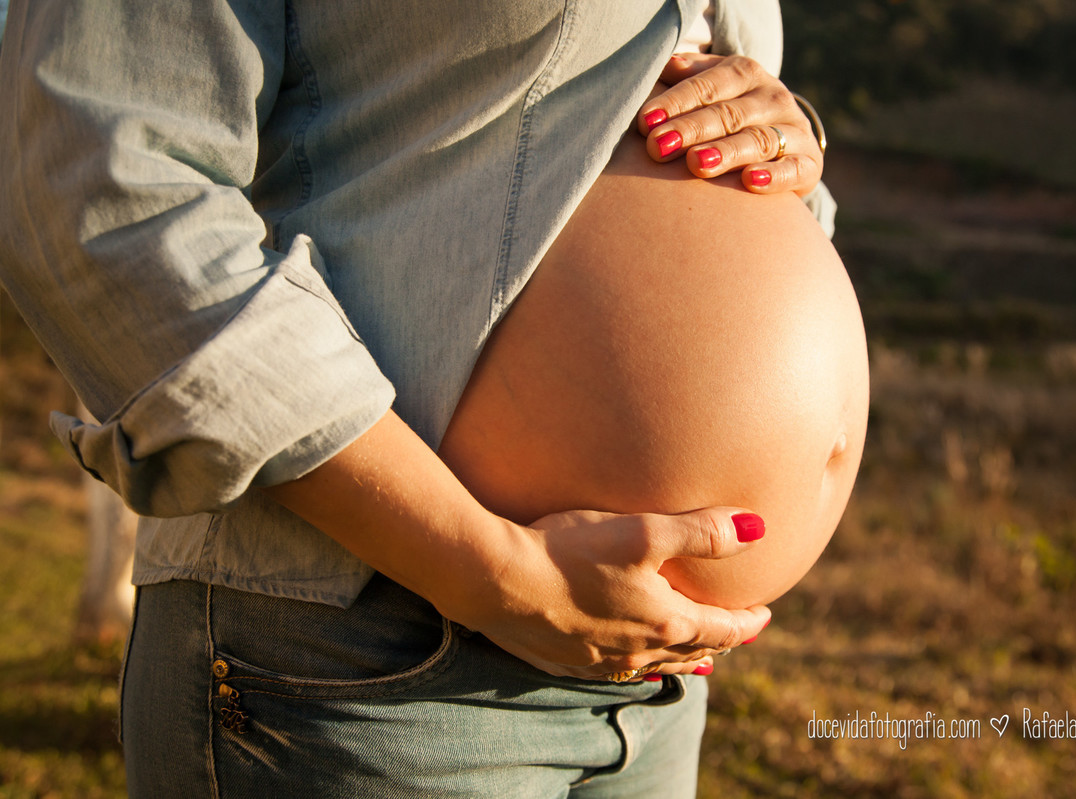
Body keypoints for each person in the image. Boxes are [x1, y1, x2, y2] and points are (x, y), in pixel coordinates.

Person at [0, 0, 864, 795]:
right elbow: (101, 180)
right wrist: (494, 573)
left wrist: (784, 138)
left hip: (659, 680)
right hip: (363, 667)